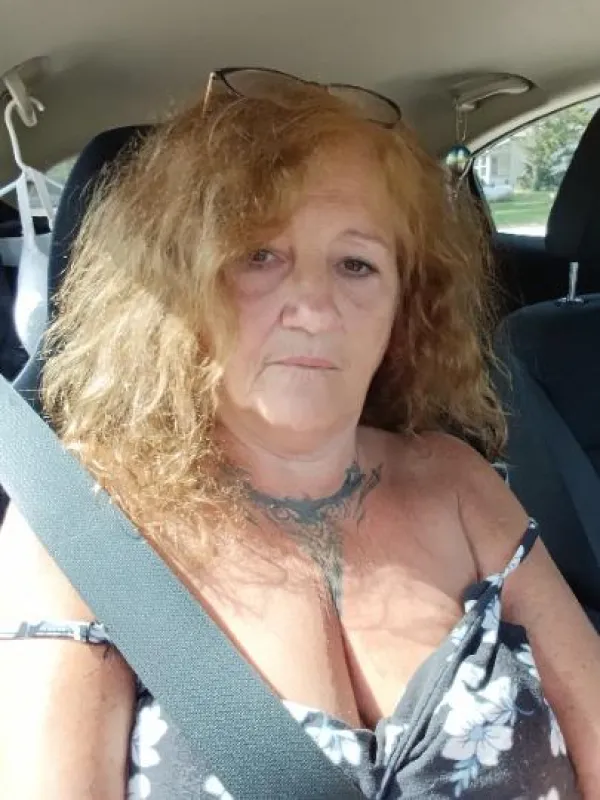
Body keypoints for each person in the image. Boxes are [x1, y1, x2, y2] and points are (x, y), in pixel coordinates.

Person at [0, 68, 598, 800]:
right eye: (259, 255)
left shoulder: (459, 482)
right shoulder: (84, 523)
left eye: (356, 264)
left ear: (405, 307)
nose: (314, 308)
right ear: (181, 280)